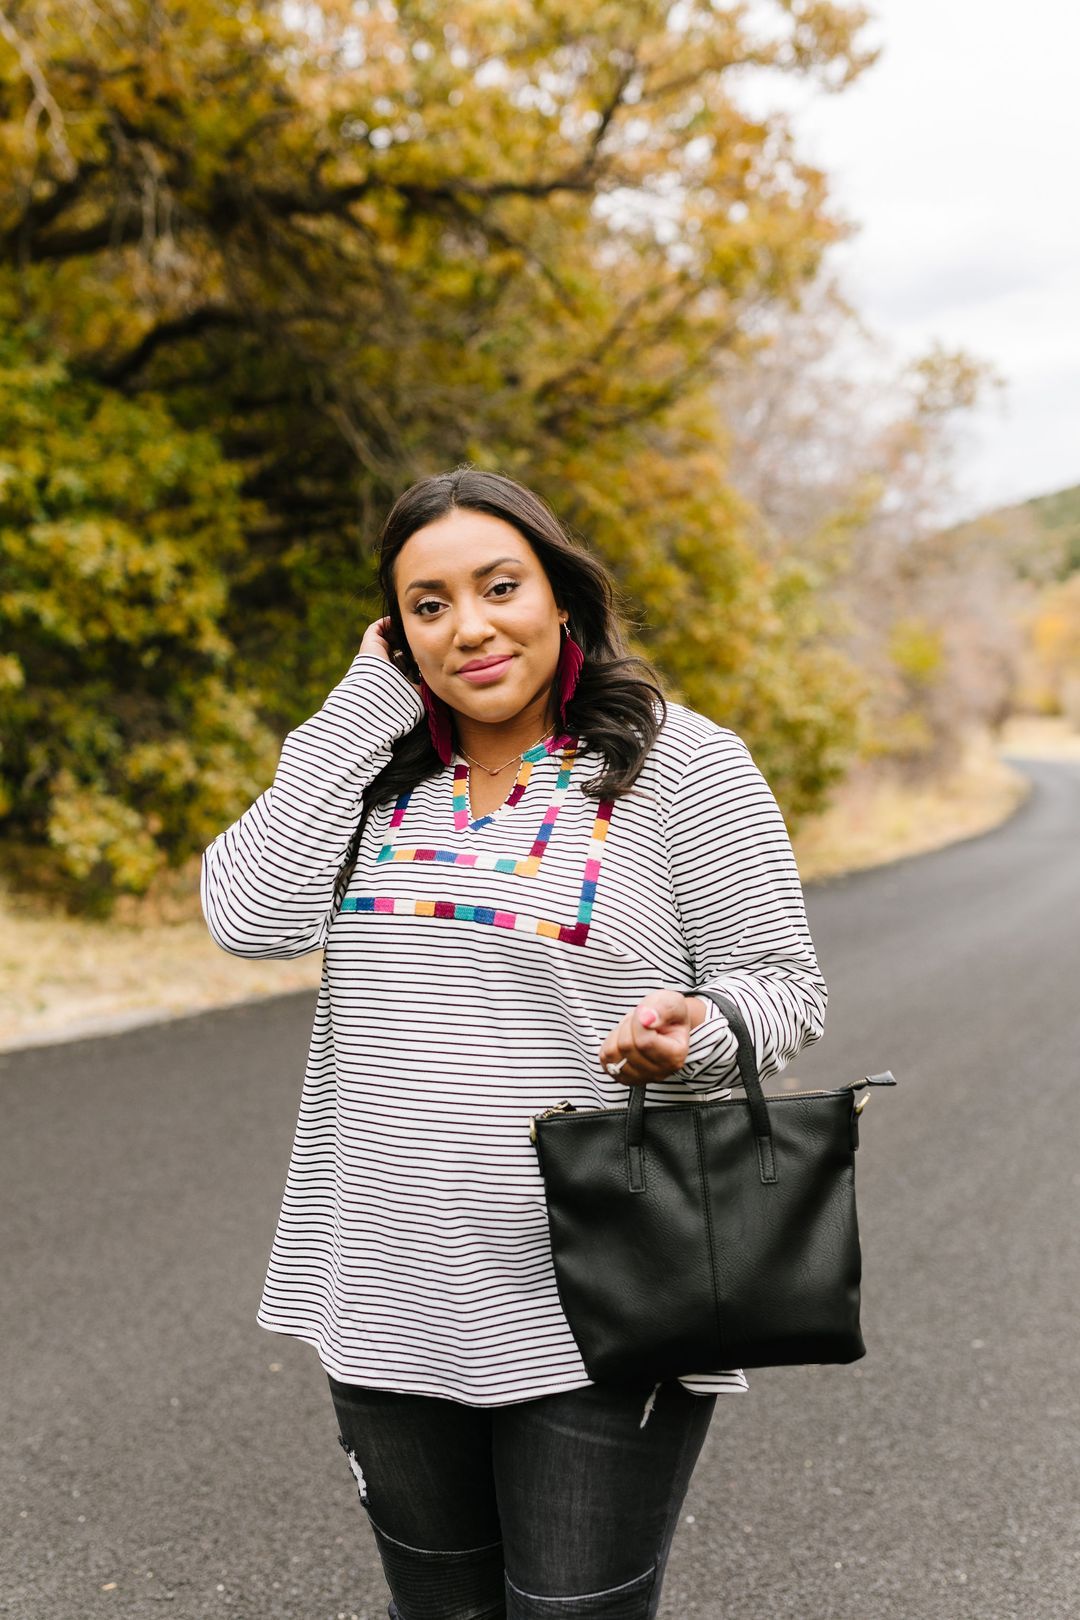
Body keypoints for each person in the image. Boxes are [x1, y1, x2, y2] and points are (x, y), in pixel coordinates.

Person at [200, 465, 828, 1619]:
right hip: (387, 1289)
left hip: (607, 1293)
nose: (471, 627)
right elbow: (249, 918)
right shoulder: (376, 777)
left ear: (561, 596)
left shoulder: (682, 768)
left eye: (500, 586)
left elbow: (786, 987)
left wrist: (700, 1032)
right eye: (429, 605)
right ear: (395, 633)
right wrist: (356, 711)